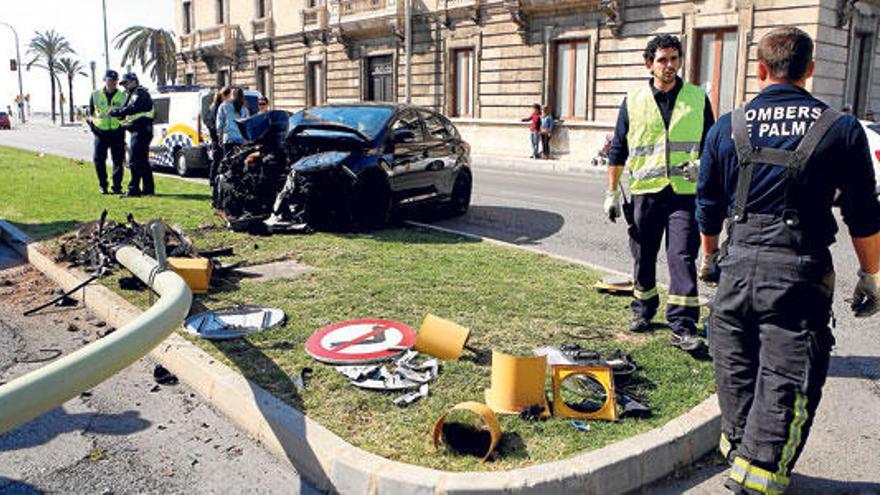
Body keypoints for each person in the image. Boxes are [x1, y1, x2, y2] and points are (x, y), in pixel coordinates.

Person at [696, 27, 880, 494]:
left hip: (735, 272)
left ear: (760, 70)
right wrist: (871, 275)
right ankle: (756, 478)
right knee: (787, 379)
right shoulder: (839, 129)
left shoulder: (728, 126)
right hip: (797, 278)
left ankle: (744, 460)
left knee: (736, 373)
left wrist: (710, 257)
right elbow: (862, 213)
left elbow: (707, 205)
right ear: (810, 70)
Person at [604, 34, 715, 352]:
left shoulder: (697, 98)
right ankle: (643, 310)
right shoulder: (634, 99)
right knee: (644, 254)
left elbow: (712, 144)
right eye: (663, 60)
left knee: (681, 254)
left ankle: (683, 325)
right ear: (649, 63)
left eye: (675, 59)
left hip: (684, 191)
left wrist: (700, 165)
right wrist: (611, 191)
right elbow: (619, 149)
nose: (670, 65)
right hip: (646, 191)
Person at [109, 72, 155, 197]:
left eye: (126, 83)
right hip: (141, 130)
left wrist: (117, 112)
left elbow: (133, 108)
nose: (124, 86)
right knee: (143, 161)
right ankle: (148, 188)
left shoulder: (139, 93)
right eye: (123, 84)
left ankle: (134, 189)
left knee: (135, 160)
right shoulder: (133, 94)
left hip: (141, 130)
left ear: (134, 81)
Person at [86, 70, 127, 195]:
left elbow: (127, 114)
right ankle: (103, 185)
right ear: (105, 80)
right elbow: (89, 114)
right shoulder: (96, 95)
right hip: (101, 133)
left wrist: (122, 124)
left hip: (117, 132)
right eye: (110, 80)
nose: (112, 83)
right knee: (98, 160)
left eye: (114, 81)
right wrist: (93, 127)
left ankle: (117, 187)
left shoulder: (123, 96)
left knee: (118, 161)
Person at [215, 87, 250, 158]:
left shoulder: (224, 106)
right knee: (240, 163)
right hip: (241, 139)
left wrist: (220, 137)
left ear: (232, 95)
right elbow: (247, 125)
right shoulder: (244, 109)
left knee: (228, 163)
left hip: (228, 138)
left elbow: (220, 124)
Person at [206, 87, 230, 185]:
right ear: (224, 96)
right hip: (217, 135)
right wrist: (218, 135)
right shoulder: (219, 107)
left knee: (218, 157)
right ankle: (213, 179)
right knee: (218, 157)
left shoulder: (215, 105)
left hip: (215, 134)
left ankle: (214, 178)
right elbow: (216, 122)